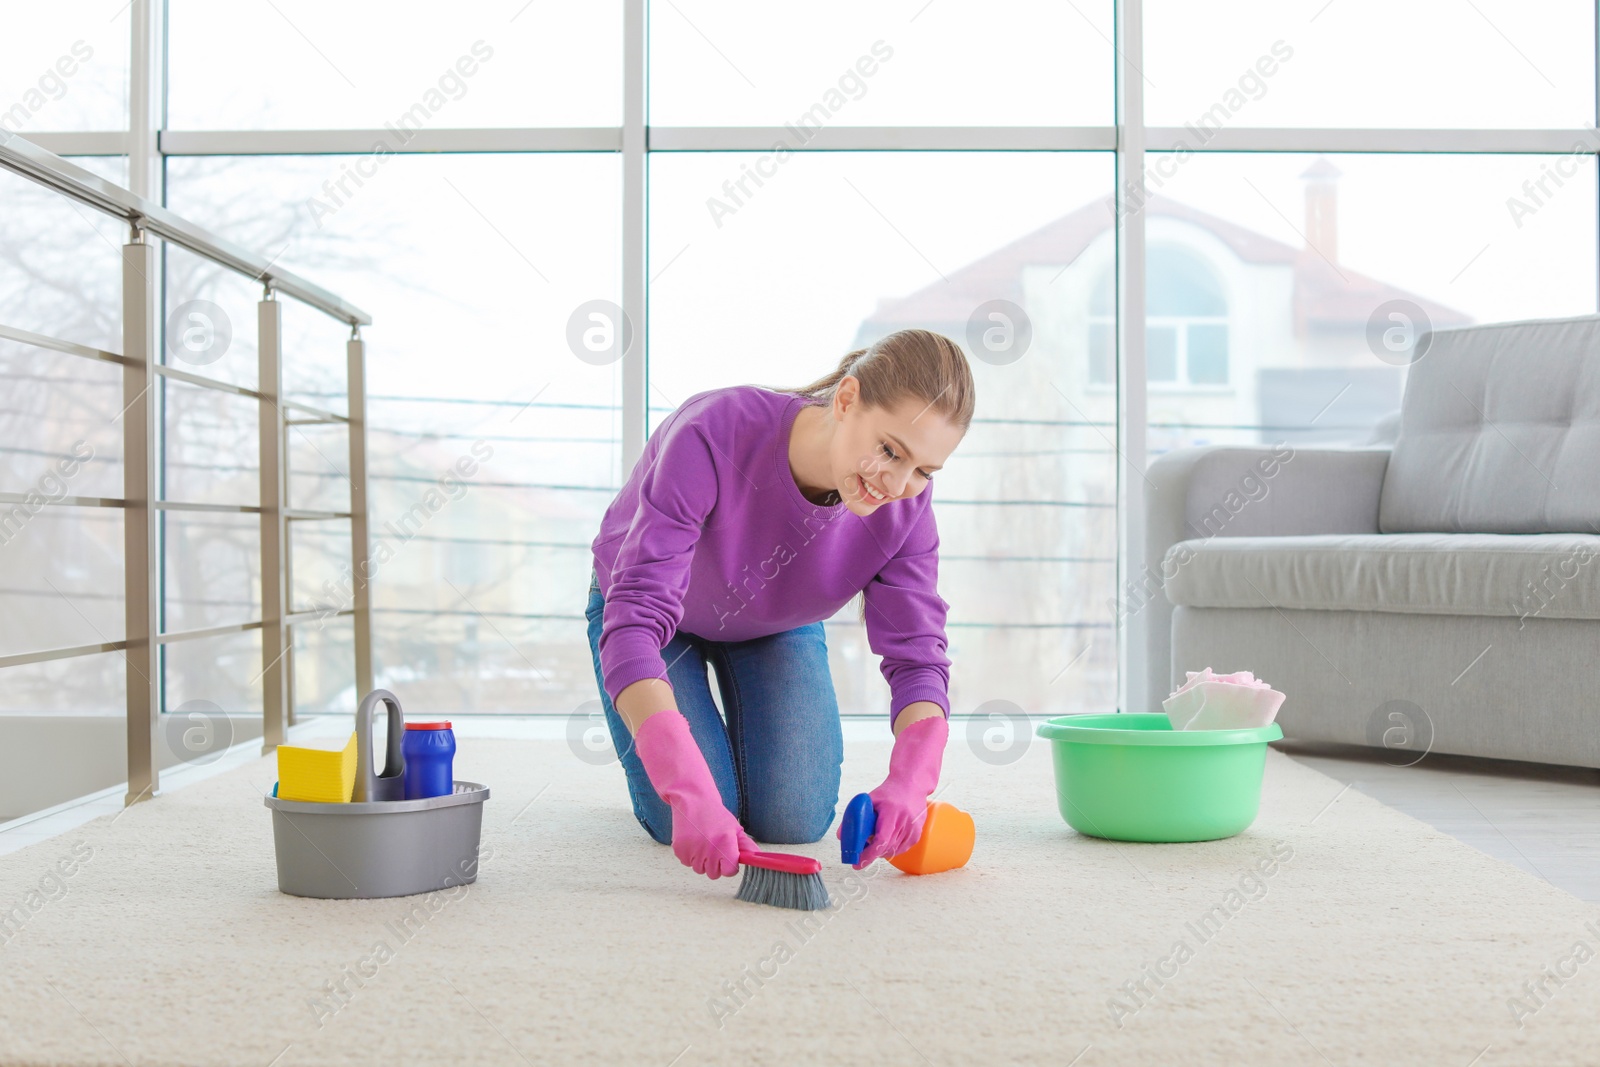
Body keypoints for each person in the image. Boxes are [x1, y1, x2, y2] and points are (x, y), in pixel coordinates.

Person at [584, 328, 974, 879]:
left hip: (773, 620)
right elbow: (633, 626)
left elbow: (919, 657)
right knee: (694, 805)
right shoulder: (714, 433)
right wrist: (689, 792)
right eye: (890, 450)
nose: (897, 483)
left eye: (924, 471)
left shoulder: (906, 504)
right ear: (845, 400)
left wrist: (913, 780)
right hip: (649, 620)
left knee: (793, 818)